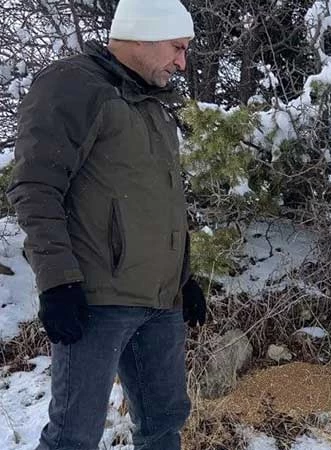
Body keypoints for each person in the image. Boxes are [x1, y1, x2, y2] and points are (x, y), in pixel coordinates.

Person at [6, 0, 207, 448]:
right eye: (177, 47)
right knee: (73, 436)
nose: (182, 61)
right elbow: (35, 187)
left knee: (163, 425)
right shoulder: (74, 85)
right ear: (142, 34)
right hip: (96, 302)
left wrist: (185, 278)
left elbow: (164, 202)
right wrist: (57, 282)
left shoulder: (153, 105)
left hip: (161, 302)